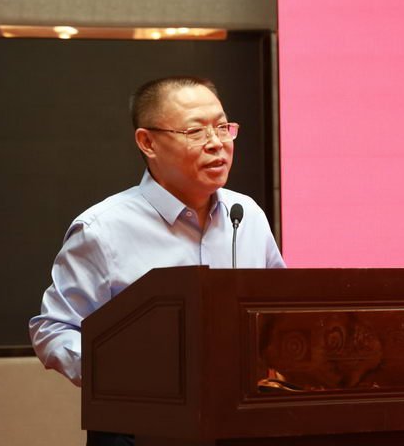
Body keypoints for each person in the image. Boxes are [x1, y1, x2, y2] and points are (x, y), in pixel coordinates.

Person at [29, 76, 286, 445]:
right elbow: (53, 328)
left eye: (222, 127)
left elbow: (279, 315)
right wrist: (123, 376)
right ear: (148, 142)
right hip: (137, 429)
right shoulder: (102, 229)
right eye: (195, 131)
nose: (216, 143)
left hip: (238, 423)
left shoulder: (246, 215)